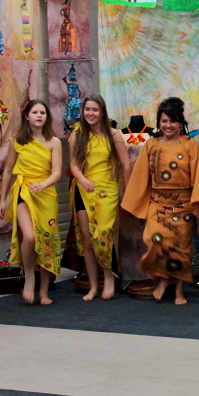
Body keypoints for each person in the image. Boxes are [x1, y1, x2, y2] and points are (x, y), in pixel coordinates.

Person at [122, 97, 199, 304]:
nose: (168, 125)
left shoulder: (190, 145)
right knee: (154, 240)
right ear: (159, 123)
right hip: (158, 202)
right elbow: (140, 175)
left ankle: (179, 291)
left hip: (183, 204)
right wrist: (132, 203)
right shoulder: (151, 145)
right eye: (164, 121)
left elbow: (198, 175)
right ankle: (162, 279)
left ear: (180, 123)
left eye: (172, 121)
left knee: (181, 250)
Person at [0, 100, 62, 305]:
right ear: (27, 116)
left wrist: (43, 185)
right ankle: (29, 276)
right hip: (23, 192)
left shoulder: (54, 142)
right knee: (31, 237)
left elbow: (57, 173)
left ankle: (44, 291)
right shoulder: (17, 141)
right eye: (35, 112)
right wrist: (2, 199)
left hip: (46, 194)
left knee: (46, 241)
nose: (39, 115)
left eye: (43, 112)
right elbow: (8, 171)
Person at [68, 95, 131, 301]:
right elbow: (73, 164)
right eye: (87, 109)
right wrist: (82, 179)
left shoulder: (114, 134)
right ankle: (93, 286)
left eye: (95, 110)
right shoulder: (77, 135)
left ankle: (109, 275)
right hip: (84, 190)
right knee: (88, 240)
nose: (91, 113)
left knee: (103, 236)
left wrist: (127, 194)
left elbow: (125, 165)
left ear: (102, 112)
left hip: (107, 191)